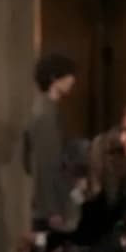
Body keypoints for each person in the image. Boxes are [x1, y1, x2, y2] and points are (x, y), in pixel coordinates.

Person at [22, 53, 77, 231]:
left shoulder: (47, 110)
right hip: (51, 208)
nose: (73, 80)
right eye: (69, 74)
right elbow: (45, 164)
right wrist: (51, 209)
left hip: (50, 203)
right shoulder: (45, 115)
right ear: (55, 78)